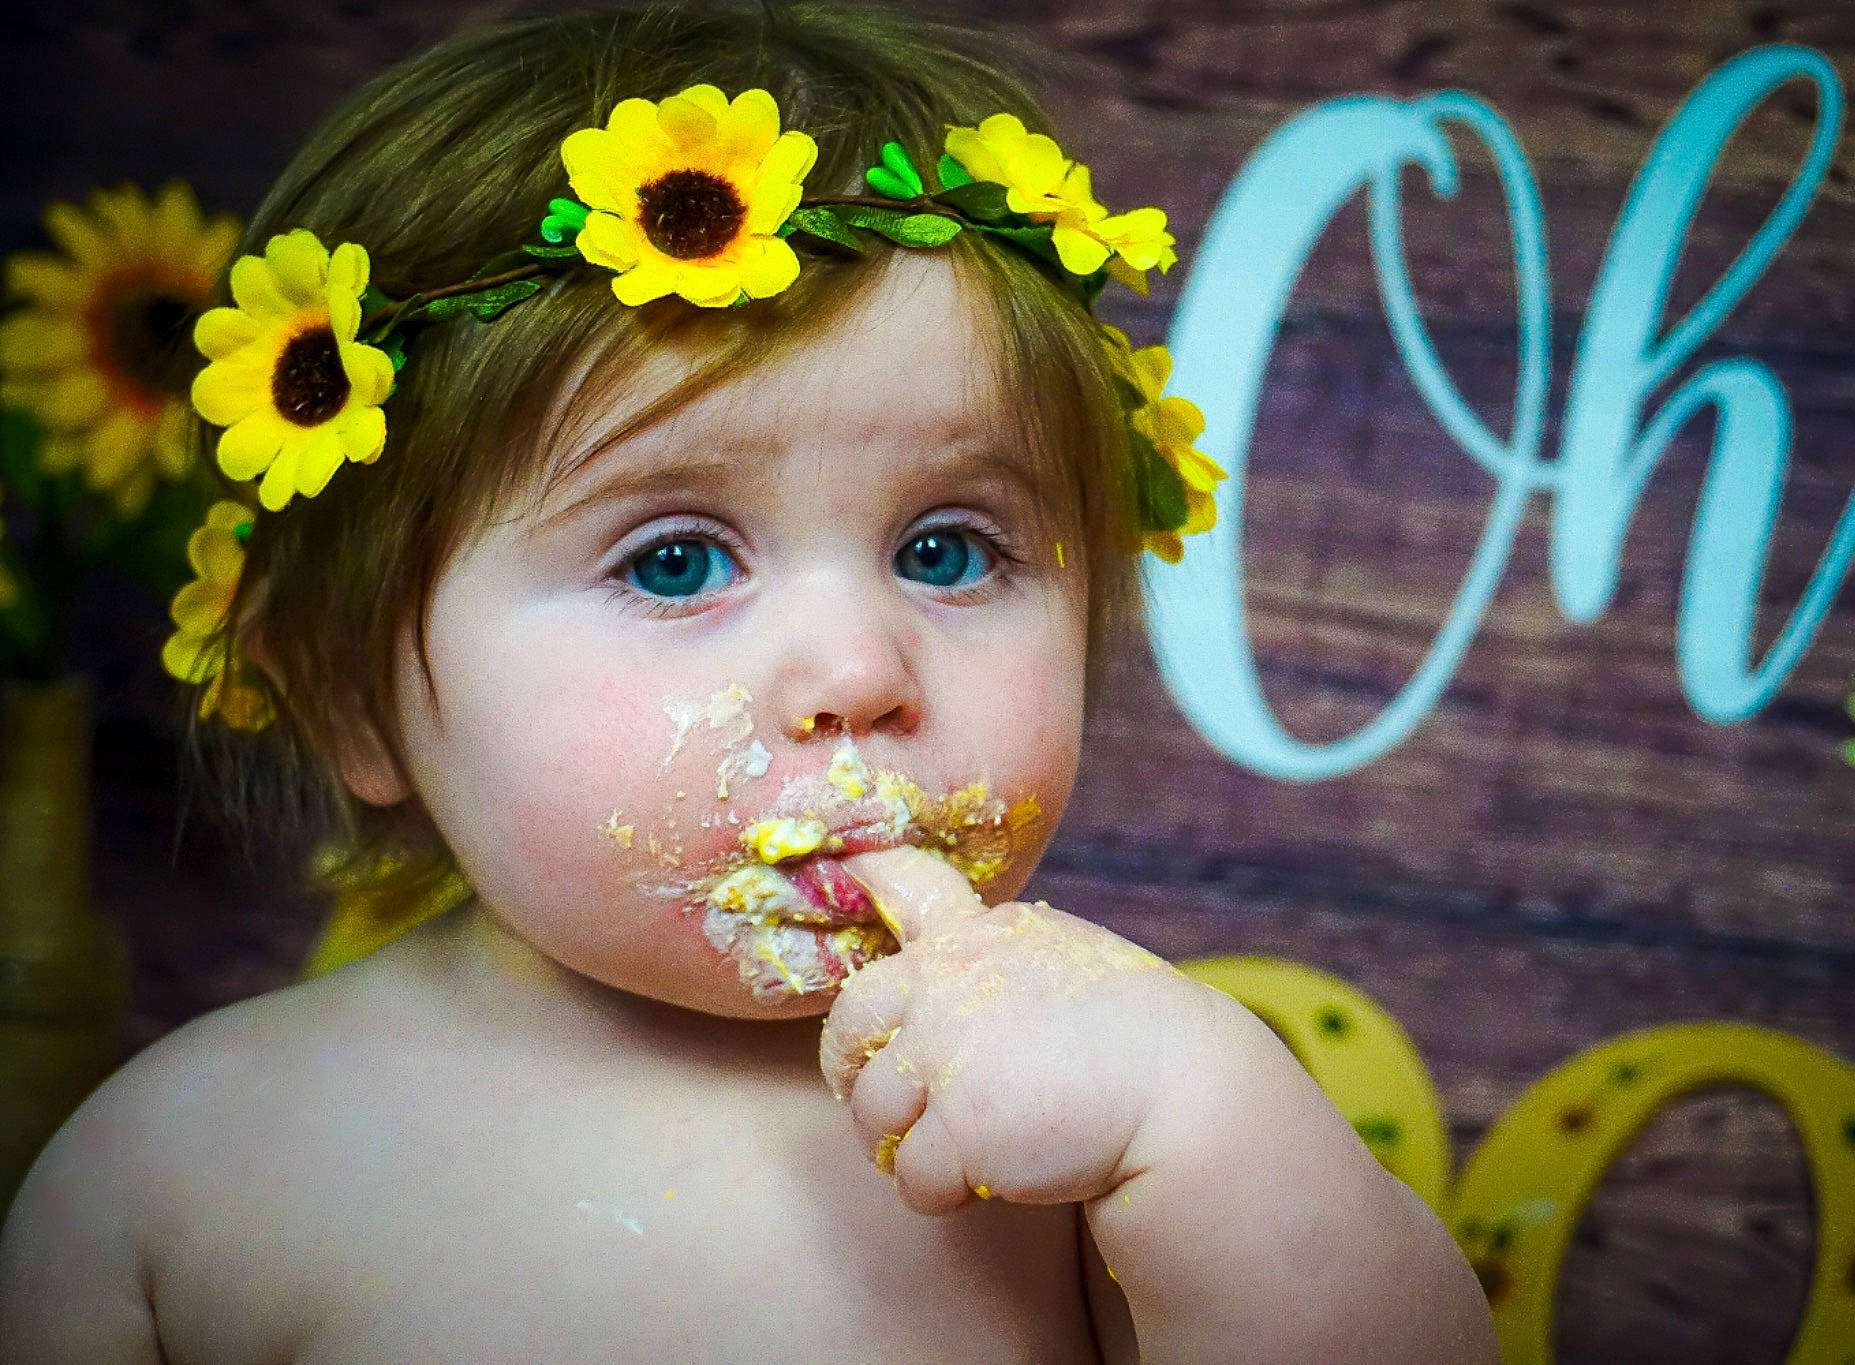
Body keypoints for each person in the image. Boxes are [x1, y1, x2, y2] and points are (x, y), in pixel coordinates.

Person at [0, 3, 1495, 1359]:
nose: (857, 669)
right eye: (671, 562)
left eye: (949, 547)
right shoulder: (187, 1173)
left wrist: (1220, 1130)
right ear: (345, 693)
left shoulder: (1075, 1132)